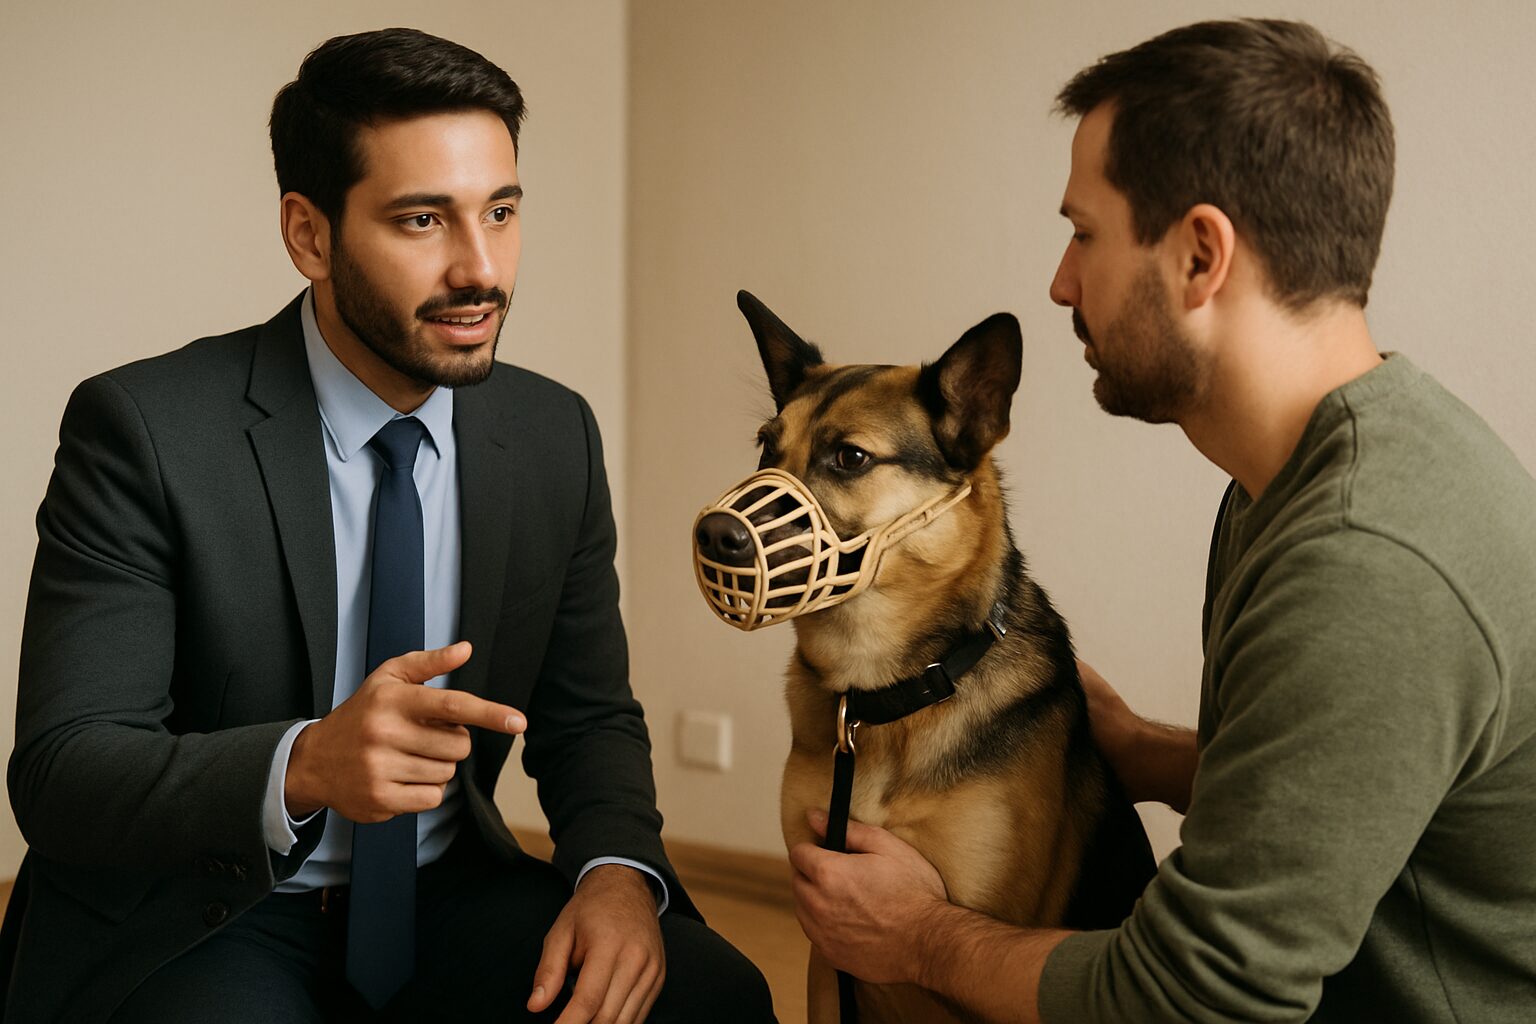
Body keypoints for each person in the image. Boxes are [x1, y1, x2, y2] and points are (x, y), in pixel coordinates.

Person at [4, 27, 774, 1024]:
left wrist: (618, 876)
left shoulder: (552, 434)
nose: (480, 269)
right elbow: (65, 770)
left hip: (445, 890)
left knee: (714, 996)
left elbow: (588, 718)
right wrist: (311, 760)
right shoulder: (146, 430)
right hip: (209, 907)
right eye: (423, 220)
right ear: (309, 234)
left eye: (501, 211)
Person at [789, 18, 1536, 1024]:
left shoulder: (1367, 557)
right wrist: (1145, 751)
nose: (1060, 282)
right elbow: (1355, 796)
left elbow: (1196, 996)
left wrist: (918, 935)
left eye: (1085, 233)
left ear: (1199, 255)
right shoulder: (1298, 476)